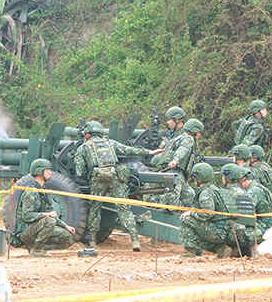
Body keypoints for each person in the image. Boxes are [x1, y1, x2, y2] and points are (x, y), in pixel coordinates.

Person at [74, 121, 162, 251]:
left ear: (88, 134)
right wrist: (150, 152)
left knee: (95, 209)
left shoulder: (84, 147)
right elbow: (129, 150)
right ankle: (135, 240)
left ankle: (92, 241)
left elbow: (80, 171)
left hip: (97, 180)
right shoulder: (111, 143)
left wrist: (89, 176)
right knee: (124, 209)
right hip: (115, 178)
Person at [179, 163, 256, 258]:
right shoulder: (219, 190)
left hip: (220, 232)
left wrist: (191, 213)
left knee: (187, 221)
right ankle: (222, 248)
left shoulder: (206, 192)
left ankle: (189, 254)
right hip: (230, 230)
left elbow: (207, 213)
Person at [11, 159, 76, 257]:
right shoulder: (31, 192)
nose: (50, 172)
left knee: (66, 234)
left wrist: (65, 226)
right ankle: (36, 250)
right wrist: (46, 215)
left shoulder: (42, 191)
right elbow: (26, 216)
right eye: (47, 170)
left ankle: (36, 246)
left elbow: (51, 213)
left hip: (37, 227)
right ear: (39, 172)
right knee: (49, 221)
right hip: (25, 231)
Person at [148, 106, 194, 206]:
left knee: (173, 201)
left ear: (177, 119)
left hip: (175, 172)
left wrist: (176, 160)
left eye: (169, 120)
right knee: (147, 195)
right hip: (163, 170)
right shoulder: (171, 136)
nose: (168, 122)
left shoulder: (186, 137)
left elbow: (183, 149)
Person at [219, 163, 261, 256]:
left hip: (235, 235)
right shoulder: (247, 194)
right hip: (253, 234)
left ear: (228, 179)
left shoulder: (225, 194)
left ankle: (227, 249)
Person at [238, 166, 272, 234]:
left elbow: (244, 210)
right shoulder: (257, 186)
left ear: (242, 179)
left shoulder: (254, 190)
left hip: (266, 226)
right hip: (270, 224)